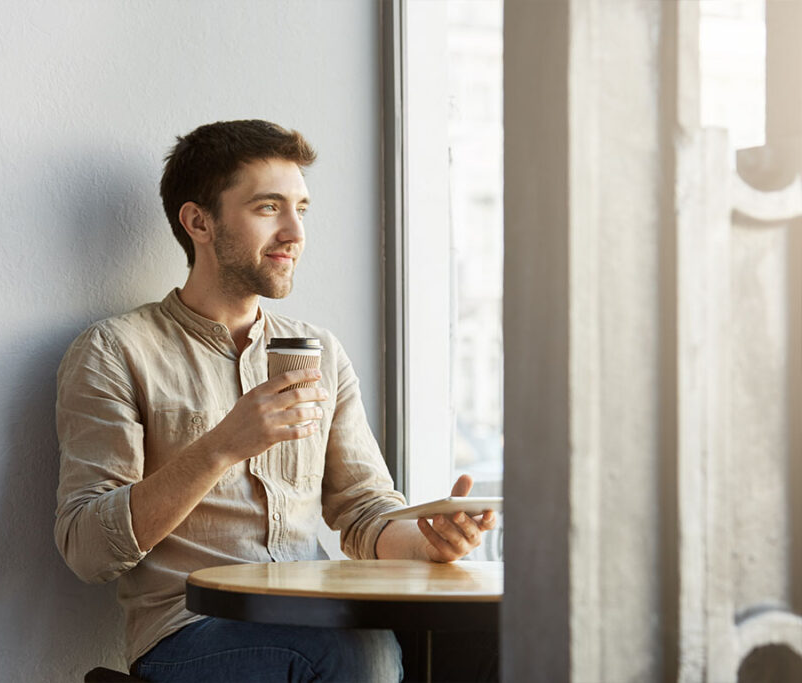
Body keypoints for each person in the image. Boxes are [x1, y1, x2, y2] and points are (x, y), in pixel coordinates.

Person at [54, 119, 496, 682]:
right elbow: (88, 548)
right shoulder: (116, 351)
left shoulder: (321, 351)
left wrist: (430, 541)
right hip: (191, 631)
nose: (294, 232)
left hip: (314, 611)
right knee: (353, 654)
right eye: (269, 208)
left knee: (489, 635)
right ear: (199, 222)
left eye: (302, 209)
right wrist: (219, 448)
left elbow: (363, 513)